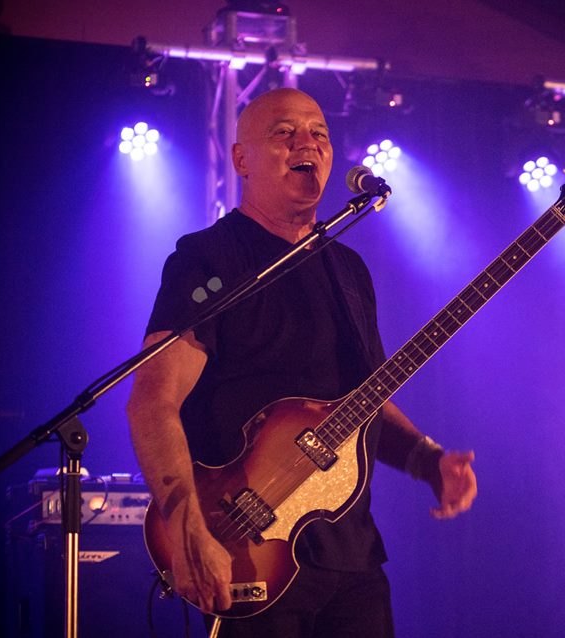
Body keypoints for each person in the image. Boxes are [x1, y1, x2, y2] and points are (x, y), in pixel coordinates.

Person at [126, 87, 477, 637]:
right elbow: (153, 400)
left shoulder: (349, 270)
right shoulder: (209, 258)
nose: (306, 143)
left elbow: (363, 405)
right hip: (247, 555)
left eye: (319, 134)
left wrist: (426, 460)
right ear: (241, 159)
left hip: (351, 557)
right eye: (284, 133)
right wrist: (188, 528)